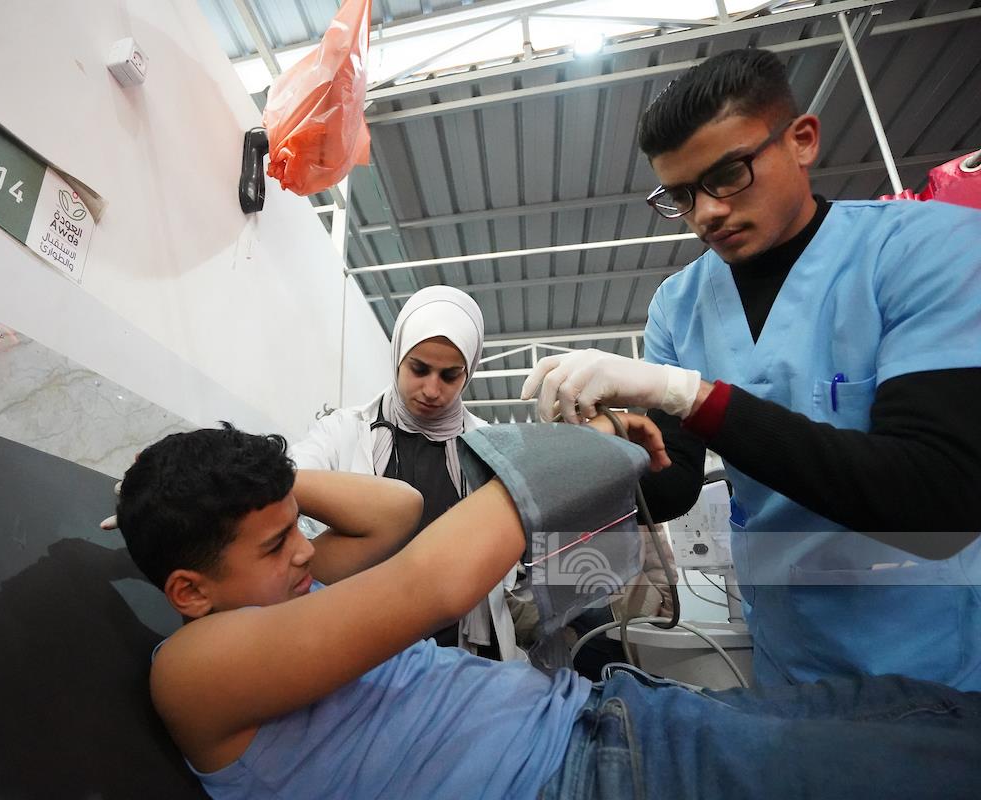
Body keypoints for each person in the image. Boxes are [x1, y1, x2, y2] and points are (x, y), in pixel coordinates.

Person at [116, 424, 981, 800]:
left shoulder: (285, 594)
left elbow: (394, 512)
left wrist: (257, 483)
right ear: (188, 591)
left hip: (605, 722)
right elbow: (434, 583)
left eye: (293, 531)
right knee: (920, 769)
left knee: (909, 713)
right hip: (576, 777)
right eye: (276, 544)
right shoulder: (197, 672)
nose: (304, 551)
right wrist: (584, 447)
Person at [520, 48, 981, 690]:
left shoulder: (924, 248)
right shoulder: (679, 305)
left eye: (728, 175)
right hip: (790, 650)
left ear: (802, 140)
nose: (706, 212)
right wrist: (607, 450)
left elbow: (937, 502)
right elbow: (675, 485)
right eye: (681, 195)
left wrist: (687, 394)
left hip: (930, 652)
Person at [289, 285, 522, 661]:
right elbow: (286, 481)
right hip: (362, 637)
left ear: (468, 373)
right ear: (398, 357)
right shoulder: (343, 431)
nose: (431, 389)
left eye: (449, 376)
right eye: (419, 369)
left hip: (456, 645)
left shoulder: (492, 448)